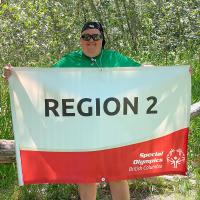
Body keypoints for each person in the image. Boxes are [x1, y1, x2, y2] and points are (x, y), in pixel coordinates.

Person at [3, 22, 141, 200]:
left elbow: (142, 74)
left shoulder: (114, 57)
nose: (91, 40)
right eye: (86, 36)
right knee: (87, 177)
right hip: (81, 130)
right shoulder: (69, 61)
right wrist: (14, 77)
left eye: (95, 36)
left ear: (102, 39)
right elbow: (42, 82)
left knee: (118, 175)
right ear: (80, 40)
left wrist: (176, 73)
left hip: (112, 128)